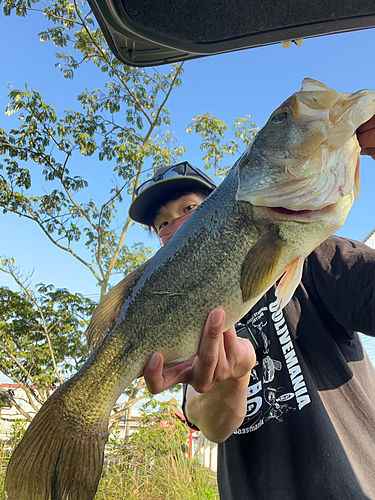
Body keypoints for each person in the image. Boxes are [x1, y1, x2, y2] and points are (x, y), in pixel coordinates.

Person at [128, 116, 375, 500]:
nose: (175, 225)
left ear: (223, 208)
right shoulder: (180, 318)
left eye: (190, 208)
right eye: (162, 223)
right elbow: (205, 420)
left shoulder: (314, 255)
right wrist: (232, 380)